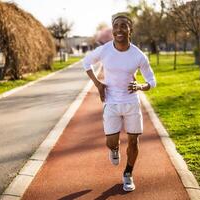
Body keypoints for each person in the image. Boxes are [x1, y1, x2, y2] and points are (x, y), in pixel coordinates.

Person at [82, 12, 156, 192]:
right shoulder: (105, 49)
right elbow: (86, 62)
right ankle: (114, 149)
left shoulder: (139, 55)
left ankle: (128, 174)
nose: (119, 29)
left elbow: (152, 81)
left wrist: (139, 86)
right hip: (111, 102)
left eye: (123, 26)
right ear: (112, 30)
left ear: (130, 30)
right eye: (116, 26)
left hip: (131, 102)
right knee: (111, 141)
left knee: (133, 141)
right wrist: (98, 85)